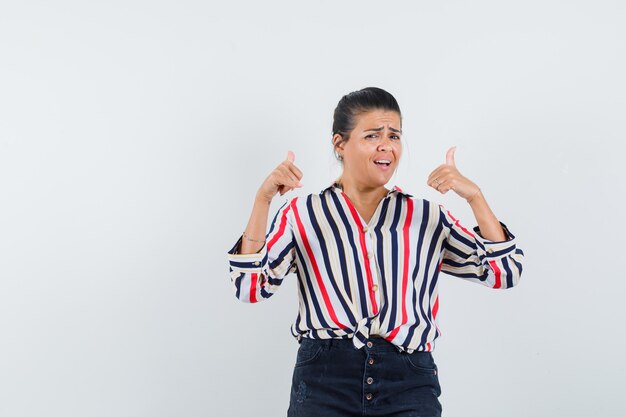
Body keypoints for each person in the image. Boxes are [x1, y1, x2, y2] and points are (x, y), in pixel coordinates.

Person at [227, 87, 525, 417]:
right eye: (372, 135)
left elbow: (504, 273)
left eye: (394, 136)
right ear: (340, 144)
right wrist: (263, 201)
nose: (386, 145)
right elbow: (250, 287)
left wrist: (475, 197)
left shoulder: (426, 215)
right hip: (324, 379)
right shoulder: (302, 214)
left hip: (409, 380)